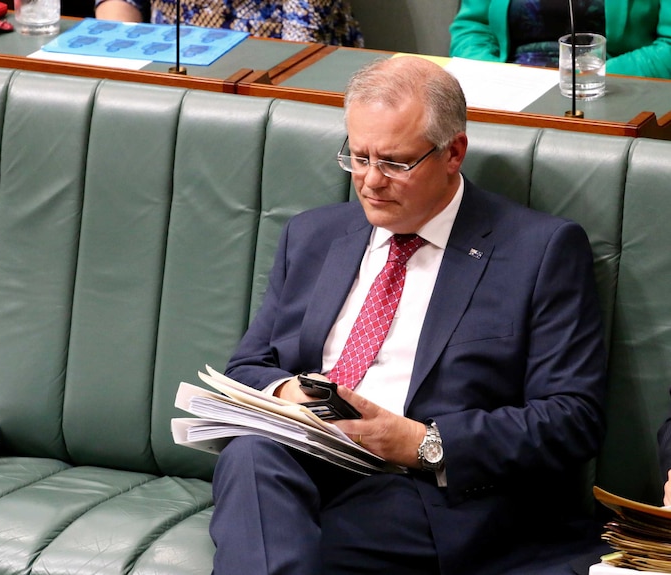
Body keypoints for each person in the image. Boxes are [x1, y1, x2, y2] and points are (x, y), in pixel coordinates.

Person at [209, 55, 609, 574]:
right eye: (357, 157)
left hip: (426, 491)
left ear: (453, 153)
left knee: (288, 548)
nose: (371, 181)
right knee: (249, 456)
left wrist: (424, 444)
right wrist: (291, 396)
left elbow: (572, 417)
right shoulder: (312, 236)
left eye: (395, 163)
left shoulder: (540, 250)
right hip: (307, 463)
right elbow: (248, 366)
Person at [450, 0, 671, 79]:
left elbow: (668, 48)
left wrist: (587, 79)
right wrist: (496, 77)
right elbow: (472, 28)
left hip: (611, 90)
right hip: (510, 90)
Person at [93, 0, 364, 47]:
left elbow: (303, 43)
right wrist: (123, 45)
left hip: (264, 69)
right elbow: (120, 3)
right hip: (166, 60)